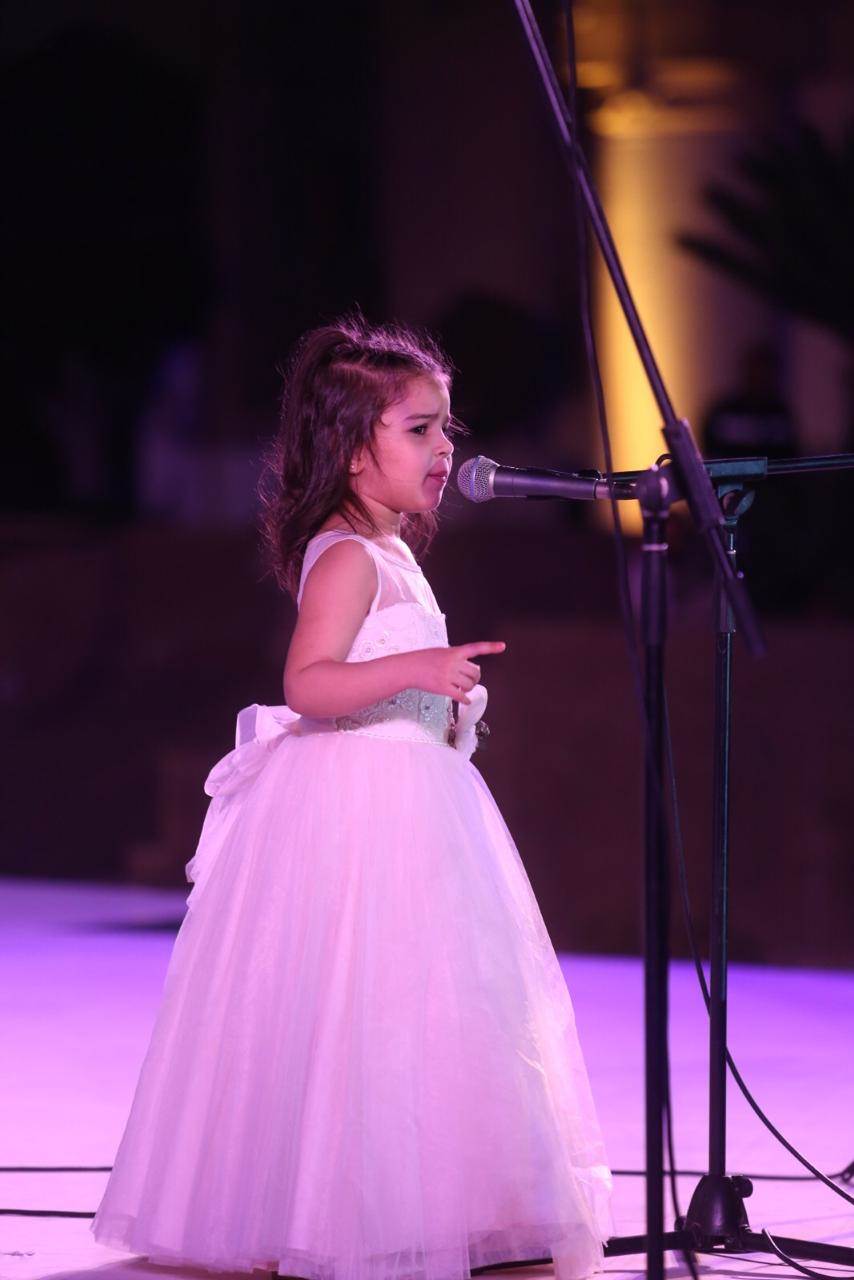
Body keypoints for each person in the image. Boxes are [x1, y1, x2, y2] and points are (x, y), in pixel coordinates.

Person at [90, 315, 613, 1280]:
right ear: (351, 449)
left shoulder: (394, 551)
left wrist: (445, 701)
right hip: (362, 810)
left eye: (447, 427)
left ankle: (441, 1199)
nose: (445, 448)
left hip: (413, 801)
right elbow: (309, 682)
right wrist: (414, 669)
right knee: (359, 1007)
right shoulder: (346, 556)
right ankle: (341, 1212)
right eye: (419, 429)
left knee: (428, 1010)